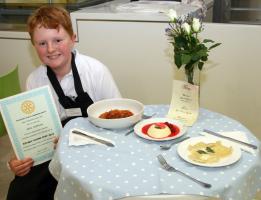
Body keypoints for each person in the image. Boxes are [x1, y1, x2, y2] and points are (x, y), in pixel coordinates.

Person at [7, 5, 121, 200]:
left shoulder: (95, 71)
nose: (50, 49)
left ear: (73, 38)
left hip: (95, 148)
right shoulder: (34, 80)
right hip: (54, 154)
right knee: (21, 191)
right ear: (34, 46)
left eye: (58, 40)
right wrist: (20, 159)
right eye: (42, 43)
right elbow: (31, 132)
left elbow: (119, 120)